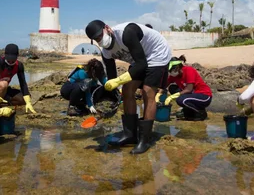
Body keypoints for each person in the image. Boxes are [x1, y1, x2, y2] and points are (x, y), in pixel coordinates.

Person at [85, 20, 171, 154]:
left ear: (107, 28)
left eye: (100, 35)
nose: (100, 40)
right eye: (96, 39)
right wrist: (112, 100)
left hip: (156, 53)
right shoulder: (106, 53)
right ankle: (130, 134)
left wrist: (119, 80)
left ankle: (144, 139)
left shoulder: (126, 33)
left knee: (147, 91)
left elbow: (142, 64)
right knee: (126, 89)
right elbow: (113, 79)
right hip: (139, 59)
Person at [158, 55, 212, 121]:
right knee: (172, 88)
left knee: (180, 100)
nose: (170, 73)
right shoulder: (174, 76)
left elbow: (189, 89)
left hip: (204, 96)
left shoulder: (189, 70)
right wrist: (158, 93)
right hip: (192, 95)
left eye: (170, 71)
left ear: (177, 68)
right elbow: (164, 85)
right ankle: (189, 110)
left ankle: (200, 112)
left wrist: (171, 97)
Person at [0, 44, 36, 114]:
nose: (10, 62)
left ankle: (1, 104)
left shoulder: (19, 65)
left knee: (24, 98)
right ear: (5, 55)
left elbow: (23, 83)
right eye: (8, 60)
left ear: (17, 56)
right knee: (3, 85)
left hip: (5, 90)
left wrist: (28, 102)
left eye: (12, 60)